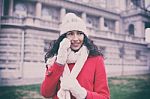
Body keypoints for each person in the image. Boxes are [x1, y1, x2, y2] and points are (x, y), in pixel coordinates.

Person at [40, 13, 110, 99]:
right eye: (70, 34)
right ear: (64, 37)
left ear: (84, 36)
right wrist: (60, 62)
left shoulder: (96, 59)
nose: (76, 39)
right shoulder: (54, 60)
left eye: (79, 33)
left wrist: (83, 94)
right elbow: (46, 93)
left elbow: (104, 97)